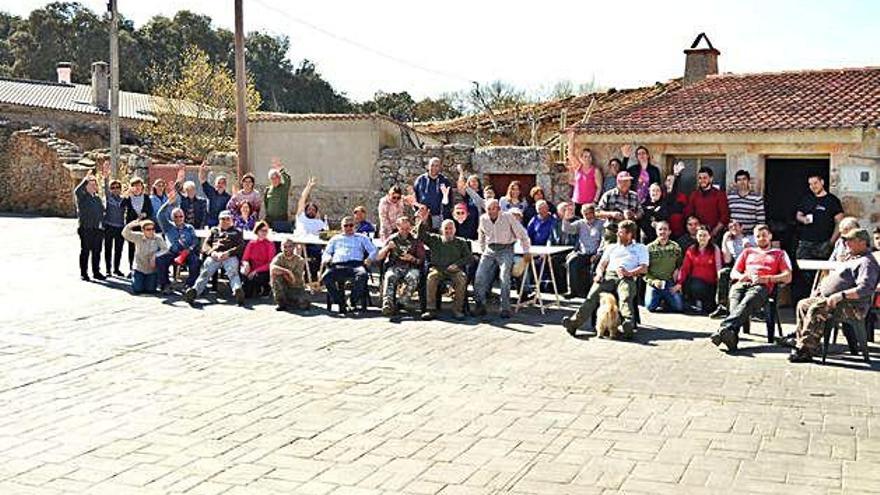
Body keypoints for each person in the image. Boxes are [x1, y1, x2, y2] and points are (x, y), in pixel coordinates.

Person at [784, 229, 879, 362]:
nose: (846, 244)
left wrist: (841, 295)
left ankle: (805, 351)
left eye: (850, 241)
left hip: (853, 306)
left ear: (862, 242)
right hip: (833, 300)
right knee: (803, 304)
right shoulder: (854, 257)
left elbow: (865, 289)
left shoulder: (867, 263)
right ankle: (805, 343)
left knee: (817, 308)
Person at [710, 224, 792, 352]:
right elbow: (733, 273)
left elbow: (787, 277)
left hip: (762, 286)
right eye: (758, 236)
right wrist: (742, 276)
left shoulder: (779, 254)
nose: (761, 238)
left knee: (748, 300)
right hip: (743, 283)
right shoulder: (748, 252)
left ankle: (724, 329)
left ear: (770, 236)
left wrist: (767, 279)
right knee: (734, 299)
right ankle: (730, 335)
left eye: (764, 235)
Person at [561, 220, 647, 338]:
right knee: (591, 296)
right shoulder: (611, 247)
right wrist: (599, 274)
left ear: (630, 234)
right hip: (608, 275)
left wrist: (629, 273)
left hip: (627, 276)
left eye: (621, 233)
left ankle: (628, 324)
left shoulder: (640, 248)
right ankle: (574, 323)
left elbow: (644, 268)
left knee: (625, 297)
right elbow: (602, 264)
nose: (617, 234)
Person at [473, 198, 531, 318]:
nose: (490, 211)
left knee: (504, 276)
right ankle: (480, 305)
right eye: (488, 209)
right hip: (490, 249)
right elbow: (481, 234)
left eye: (493, 208)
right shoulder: (483, 218)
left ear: (499, 209)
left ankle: (505, 308)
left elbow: (522, 234)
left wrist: (526, 251)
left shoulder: (508, 217)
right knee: (479, 276)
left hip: (506, 248)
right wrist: (483, 249)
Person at [416, 206, 473, 320]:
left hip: (454, 270)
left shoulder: (461, 242)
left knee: (462, 278)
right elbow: (421, 235)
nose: (448, 231)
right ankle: (431, 310)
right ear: (442, 230)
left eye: (450, 228)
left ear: (454, 230)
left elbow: (469, 257)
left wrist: (457, 264)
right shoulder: (435, 239)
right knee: (431, 278)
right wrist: (423, 221)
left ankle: (457, 310)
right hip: (438, 269)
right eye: (446, 229)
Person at [183, 210, 246, 305]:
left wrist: (228, 253)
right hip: (215, 256)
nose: (225, 221)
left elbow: (241, 246)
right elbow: (206, 244)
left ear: (231, 220)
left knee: (232, 272)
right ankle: (194, 292)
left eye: (227, 219)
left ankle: (237, 291)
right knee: (205, 272)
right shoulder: (214, 230)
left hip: (229, 256)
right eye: (222, 219)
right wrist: (212, 253)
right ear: (219, 220)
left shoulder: (237, 231)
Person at [321, 216, 378, 313]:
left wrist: (369, 258)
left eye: (351, 225)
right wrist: (327, 259)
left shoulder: (362, 237)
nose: (348, 228)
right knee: (326, 277)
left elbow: (374, 250)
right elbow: (326, 252)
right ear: (342, 227)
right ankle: (340, 302)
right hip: (338, 264)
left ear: (355, 226)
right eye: (345, 226)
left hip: (356, 264)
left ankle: (352, 300)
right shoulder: (335, 239)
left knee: (363, 275)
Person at [376, 216, 425, 316]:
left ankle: (401, 302)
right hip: (395, 266)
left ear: (410, 227)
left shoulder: (415, 240)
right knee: (390, 276)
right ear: (398, 227)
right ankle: (387, 304)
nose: (405, 231)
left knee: (412, 277)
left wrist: (412, 258)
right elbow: (378, 257)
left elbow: (421, 260)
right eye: (402, 228)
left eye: (407, 229)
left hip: (411, 267)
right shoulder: (392, 238)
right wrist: (387, 248)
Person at [155, 191, 201, 293]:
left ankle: (189, 286)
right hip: (173, 252)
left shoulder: (189, 228)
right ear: (172, 218)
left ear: (184, 217)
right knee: (160, 260)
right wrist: (168, 203)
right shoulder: (168, 226)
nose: (179, 218)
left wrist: (189, 249)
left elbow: (195, 240)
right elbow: (159, 215)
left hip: (187, 251)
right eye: (176, 216)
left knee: (196, 261)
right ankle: (165, 285)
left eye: (181, 216)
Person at [710, 220, 756, 318]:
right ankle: (723, 306)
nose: (733, 228)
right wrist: (724, 241)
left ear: (742, 227)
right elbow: (727, 260)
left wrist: (748, 247)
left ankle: (757, 309)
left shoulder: (751, 238)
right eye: (730, 227)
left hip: (752, 266)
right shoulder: (730, 242)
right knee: (724, 272)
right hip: (737, 267)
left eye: (735, 226)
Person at [675, 225, 722, 314]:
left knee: (709, 308)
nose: (702, 238)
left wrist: (719, 283)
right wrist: (679, 282)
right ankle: (696, 302)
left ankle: (700, 305)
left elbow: (718, 267)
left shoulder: (715, 249)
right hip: (695, 283)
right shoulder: (691, 249)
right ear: (696, 237)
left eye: (704, 235)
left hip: (710, 284)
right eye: (700, 235)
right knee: (696, 285)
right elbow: (685, 268)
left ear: (709, 236)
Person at [560, 203, 604, 298]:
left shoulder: (601, 223)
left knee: (595, 266)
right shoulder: (580, 223)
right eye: (585, 214)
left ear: (593, 213)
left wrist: (598, 253)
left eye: (589, 213)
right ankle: (572, 291)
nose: (587, 216)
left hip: (596, 253)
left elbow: (604, 241)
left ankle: (592, 293)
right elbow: (568, 229)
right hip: (583, 253)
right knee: (572, 261)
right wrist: (565, 218)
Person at [644, 221, 684, 313]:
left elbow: (681, 265)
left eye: (665, 229)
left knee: (679, 307)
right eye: (660, 229)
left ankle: (665, 300)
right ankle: (661, 299)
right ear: (656, 231)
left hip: (669, 282)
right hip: (654, 283)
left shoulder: (675, 247)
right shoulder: (648, 248)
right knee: (650, 307)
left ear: (669, 231)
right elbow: (643, 270)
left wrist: (678, 281)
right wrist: (653, 281)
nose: (663, 232)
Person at [121, 218, 168, 294]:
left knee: (150, 290)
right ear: (143, 230)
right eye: (148, 229)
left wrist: (155, 255)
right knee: (138, 289)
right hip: (139, 268)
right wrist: (131, 225)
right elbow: (125, 233)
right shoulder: (138, 237)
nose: (151, 231)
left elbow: (165, 249)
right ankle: (134, 276)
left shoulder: (158, 238)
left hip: (151, 270)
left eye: (153, 229)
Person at [75, 170, 105, 281]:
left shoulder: (97, 199)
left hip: (97, 229)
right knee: (85, 251)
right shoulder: (82, 197)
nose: (93, 186)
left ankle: (96, 272)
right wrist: (85, 179)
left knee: (97, 251)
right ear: (86, 186)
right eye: (90, 184)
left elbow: (102, 212)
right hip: (86, 228)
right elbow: (77, 191)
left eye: (95, 184)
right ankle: (84, 273)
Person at [684, 166, 729, 241]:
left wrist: (714, 232)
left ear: (711, 179)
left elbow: (725, 217)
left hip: (715, 235)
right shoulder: (694, 195)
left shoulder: (719, 195)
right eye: (700, 178)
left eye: (705, 178)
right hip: (698, 235)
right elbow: (689, 214)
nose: (702, 180)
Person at [121, 176, 154, 271]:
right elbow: (121, 205)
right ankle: (132, 267)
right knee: (131, 248)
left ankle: (144, 267)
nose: (137, 188)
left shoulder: (146, 197)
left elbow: (150, 211)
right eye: (134, 186)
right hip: (132, 226)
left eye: (139, 185)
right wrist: (126, 195)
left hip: (143, 226)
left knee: (144, 247)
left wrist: (144, 213)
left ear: (142, 187)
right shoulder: (129, 198)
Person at [270, 239, 310, 311]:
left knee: (304, 304)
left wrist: (283, 273)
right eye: (285, 247)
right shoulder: (279, 257)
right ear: (281, 248)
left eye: (290, 246)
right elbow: (272, 269)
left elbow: (294, 280)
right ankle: (281, 303)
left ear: (294, 247)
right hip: (282, 287)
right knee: (276, 277)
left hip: (296, 288)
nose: (287, 249)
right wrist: (287, 272)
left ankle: (290, 300)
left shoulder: (300, 260)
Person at [567, 136, 603, 215]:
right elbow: (570, 155)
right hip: (577, 202)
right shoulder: (578, 168)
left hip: (589, 204)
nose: (588, 158)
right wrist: (571, 139)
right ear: (581, 158)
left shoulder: (595, 171)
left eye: (590, 156)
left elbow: (599, 187)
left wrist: (595, 201)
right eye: (585, 156)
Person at [241, 221, 277, 299]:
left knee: (257, 277)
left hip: (263, 270)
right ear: (257, 231)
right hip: (252, 269)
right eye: (262, 230)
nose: (264, 233)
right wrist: (246, 264)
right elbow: (244, 258)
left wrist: (255, 271)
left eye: (266, 231)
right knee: (247, 294)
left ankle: (266, 287)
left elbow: (270, 263)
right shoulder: (251, 243)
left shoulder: (270, 244)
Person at [413, 157, 452, 229]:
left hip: (438, 216)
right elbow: (415, 196)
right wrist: (418, 209)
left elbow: (449, 200)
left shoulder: (444, 181)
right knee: (422, 236)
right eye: (432, 165)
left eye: (437, 165)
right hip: (423, 215)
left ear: (440, 167)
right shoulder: (420, 179)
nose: (434, 168)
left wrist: (445, 215)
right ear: (428, 166)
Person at [101, 163, 126, 277]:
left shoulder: (123, 200)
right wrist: (106, 175)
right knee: (108, 249)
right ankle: (108, 269)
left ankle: (116, 269)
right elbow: (105, 186)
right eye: (113, 187)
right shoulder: (109, 197)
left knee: (118, 249)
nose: (115, 189)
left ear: (120, 189)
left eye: (117, 187)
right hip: (109, 226)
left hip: (120, 227)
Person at [727, 170, 765, 234]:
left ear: (748, 181)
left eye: (744, 179)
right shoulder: (730, 197)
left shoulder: (757, 198)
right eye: (739, 180)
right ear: (736, 182)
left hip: (750, 235)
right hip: (733, 235)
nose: (742, 182)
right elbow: (727, 216)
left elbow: (761, 220)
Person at [263, 158, 292, 232]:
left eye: (276, 177)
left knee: (280, 238)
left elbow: (288, 179)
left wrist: (281, 169)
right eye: (272, 178)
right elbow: (266, 203)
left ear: (279, 178)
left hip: (281, 219)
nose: (274, 180)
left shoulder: (284, 188)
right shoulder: (267, 189)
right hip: (269, 219)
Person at [198, 162, 230, 228]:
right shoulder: (211, 192)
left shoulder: (228, 197)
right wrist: (201, 170)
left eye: (223, 183)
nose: (220, 185)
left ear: (226, 185)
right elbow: (202, 179)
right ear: (215, 184)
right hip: (209, 222)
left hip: (222, 223)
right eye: (219, 183)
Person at [665, 172, 688, 238]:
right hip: (663, 233)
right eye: (669, 180)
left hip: (679, 233)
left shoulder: (682, 197)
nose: (671, 183)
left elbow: (686, 213)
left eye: (673, 181)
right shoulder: (661, 195)